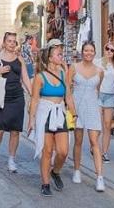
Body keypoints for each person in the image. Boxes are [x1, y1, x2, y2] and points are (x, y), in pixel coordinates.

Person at [28, 41, 77, 197]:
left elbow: (68, 96)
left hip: (60, 113)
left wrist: (74, 114)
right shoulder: (40, 77)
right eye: (58, 54)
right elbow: (34, 100)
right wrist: (31, 120)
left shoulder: (63, 73)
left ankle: (55, 172)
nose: (61, 56)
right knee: (47, 151)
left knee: (63, 151)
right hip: (45, 113)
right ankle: (45, 183)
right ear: (50, 58)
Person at [0, 32, 32, 173]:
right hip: (1, 98)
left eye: (14, 41)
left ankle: (12, 159)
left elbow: (25, 78)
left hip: (17, 97)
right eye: (9, 41)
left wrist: (32, 94)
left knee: (15, 131)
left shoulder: (19, 59)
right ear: (4, 43)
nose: (12, 44)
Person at [68, 41, 105, 192]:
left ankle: (100, 177)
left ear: (94, 53)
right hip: (77, 105)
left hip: (92, 106)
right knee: (78, 140)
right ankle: (77, 170)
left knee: (94, 141)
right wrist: (71, 109)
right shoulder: (74, 67)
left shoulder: (99, 71)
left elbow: (98, 88)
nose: (88, 53)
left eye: (91, 51)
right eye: (86, 50)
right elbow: (68, 89)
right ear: (82, 52)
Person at [96, 41, 114, 163]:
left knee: (107, 125)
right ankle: (94, 146)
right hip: (98, 95)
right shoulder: (98, 62)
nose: (109, 52)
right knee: (97, 124)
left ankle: (104, 152)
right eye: (107, 49)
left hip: (110, 96)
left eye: (112, 50)